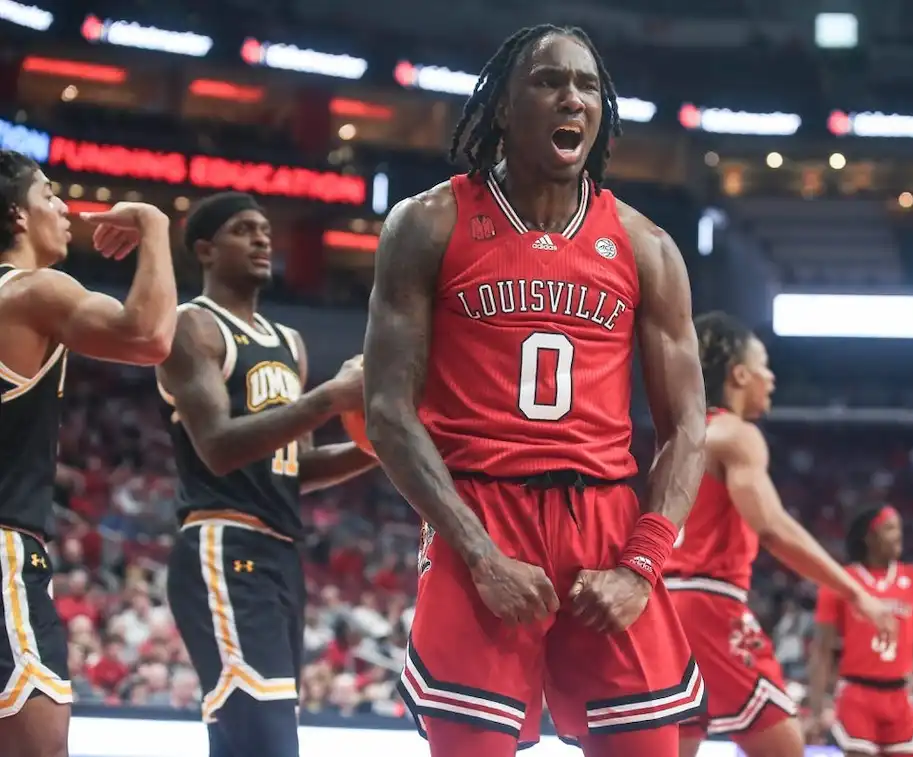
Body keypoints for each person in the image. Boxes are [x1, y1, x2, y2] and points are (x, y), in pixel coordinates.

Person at [363, 24, 708, 757]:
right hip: (481, 511)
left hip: (607, 519)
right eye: (550, 81)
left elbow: (686, 427)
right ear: (501, 107)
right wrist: (479, 553)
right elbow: (389, 409)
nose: (573, 99)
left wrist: (641, 564)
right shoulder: (427, 223)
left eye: (587, 86)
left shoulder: (646, 245)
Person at [155, 191, 377, 757]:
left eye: (266, 230)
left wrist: (380, 448)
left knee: (253, 741)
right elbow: (219, 449)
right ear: (205, 250)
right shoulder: (192, 326)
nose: (262, 239)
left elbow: (295, 465)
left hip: (281, 552)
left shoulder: (289, 344)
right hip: (223, 540)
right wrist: (329, 398)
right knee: (263, 739)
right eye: (243, 230)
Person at [0, 149, 178, 757]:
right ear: (17, 216)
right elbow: (149, 335)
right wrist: (154, 225)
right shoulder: (30, 291)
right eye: (48, 194)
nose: (63, 207)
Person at [667, 311, 893, 757]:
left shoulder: (679, 437)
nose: (772, 378)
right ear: (740, 374)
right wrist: (855, 592)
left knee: (682, 742)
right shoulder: (738, 435)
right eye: (765, 365)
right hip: (709, 603)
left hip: (664, 606)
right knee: (786, 747)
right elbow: (771, 528)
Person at [810, 505, 913, 757]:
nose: (898, 536)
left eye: (899, 529)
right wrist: (815, 705)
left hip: (900, 694)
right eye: (890, 528)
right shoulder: (842, 580)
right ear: (869, 536)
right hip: (857, 694)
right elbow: (822, 647)